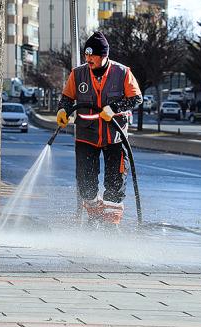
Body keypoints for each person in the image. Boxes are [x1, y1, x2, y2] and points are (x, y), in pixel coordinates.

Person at [56, 32, 142, 226]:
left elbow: (136, 98)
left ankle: (111, 225)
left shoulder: (122, 73)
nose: (88, 59)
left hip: (115, 136)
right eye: (86, 55)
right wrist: (63, 109)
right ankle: (95, 216)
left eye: (92, 55)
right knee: (86, 183)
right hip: (87, 135)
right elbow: (67, 98)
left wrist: (114, 109)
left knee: (115, 183)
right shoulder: (78, 74)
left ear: (104, 56)